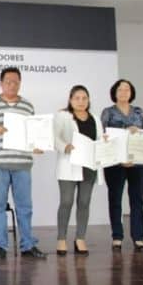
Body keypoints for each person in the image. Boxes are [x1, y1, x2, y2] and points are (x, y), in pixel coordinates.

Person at [0, 66, 46, 261]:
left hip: (22, 164)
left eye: (16, 82)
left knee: (25, 207)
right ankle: (0, 246)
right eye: (8, 81)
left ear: (20, 83)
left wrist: (37, 145)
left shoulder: (28, 106)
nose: (12, 85)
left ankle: (28, 245)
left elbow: (33, 134)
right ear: (1, 83)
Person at [53, 85, 104, 256]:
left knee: (84, 202)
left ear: (88, 100)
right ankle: (61, 238)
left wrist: (104, 142)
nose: (81, 101)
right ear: (70, 100)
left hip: (89, 166)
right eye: (77, 98)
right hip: (69, 165)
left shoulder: (95, 118)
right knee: (66, 201)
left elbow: (99, 138)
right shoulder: (63, 116)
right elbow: (55, 137)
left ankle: (80, 238)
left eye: (84, 98)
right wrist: (64, 146)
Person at [100, 79, 143, 251]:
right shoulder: (108, 112)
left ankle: (138, 236)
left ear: (131, 92)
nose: (123, 92)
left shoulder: (139, 112)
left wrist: (138, 131)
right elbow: (102, 136)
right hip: (115, 163)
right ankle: (117, 236)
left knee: (137, 199)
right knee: (115, 199)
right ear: (114, 92)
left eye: (127, 89)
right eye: (120, 89)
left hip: (137, 162)